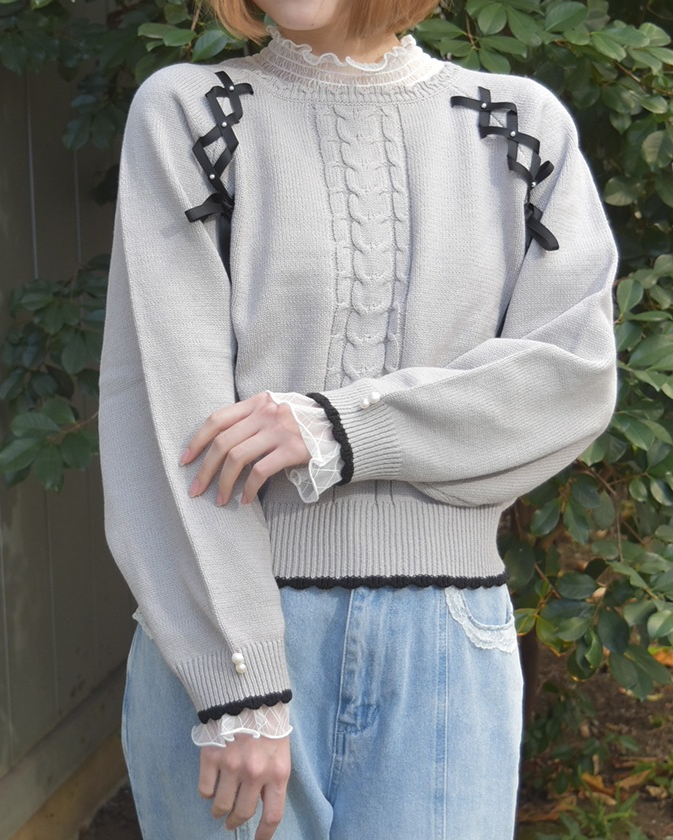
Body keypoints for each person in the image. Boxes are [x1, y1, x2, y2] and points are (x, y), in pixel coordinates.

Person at [97, 0, 618, 837]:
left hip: (446, 648)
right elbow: (162, 410)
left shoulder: (519, 128)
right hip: (232, 630)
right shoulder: (191, 113)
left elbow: (573, 379)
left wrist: (341, 427)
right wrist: (240, 684)